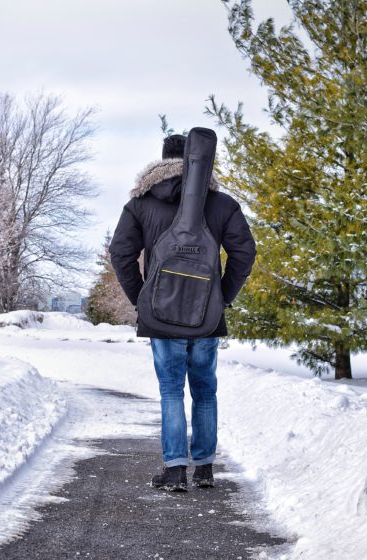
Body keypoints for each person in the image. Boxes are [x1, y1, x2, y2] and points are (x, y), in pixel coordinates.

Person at [108, 133, 256, 491]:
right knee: (205, 390)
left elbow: (120, 254)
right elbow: (245, 253)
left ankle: (175, 470)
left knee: (171, 390)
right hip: (206, 315)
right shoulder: (221, 204)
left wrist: (141, 298)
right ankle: (204, 468)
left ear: (161, 163)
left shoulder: (141, 204)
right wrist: (223, 296)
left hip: (160, 313)